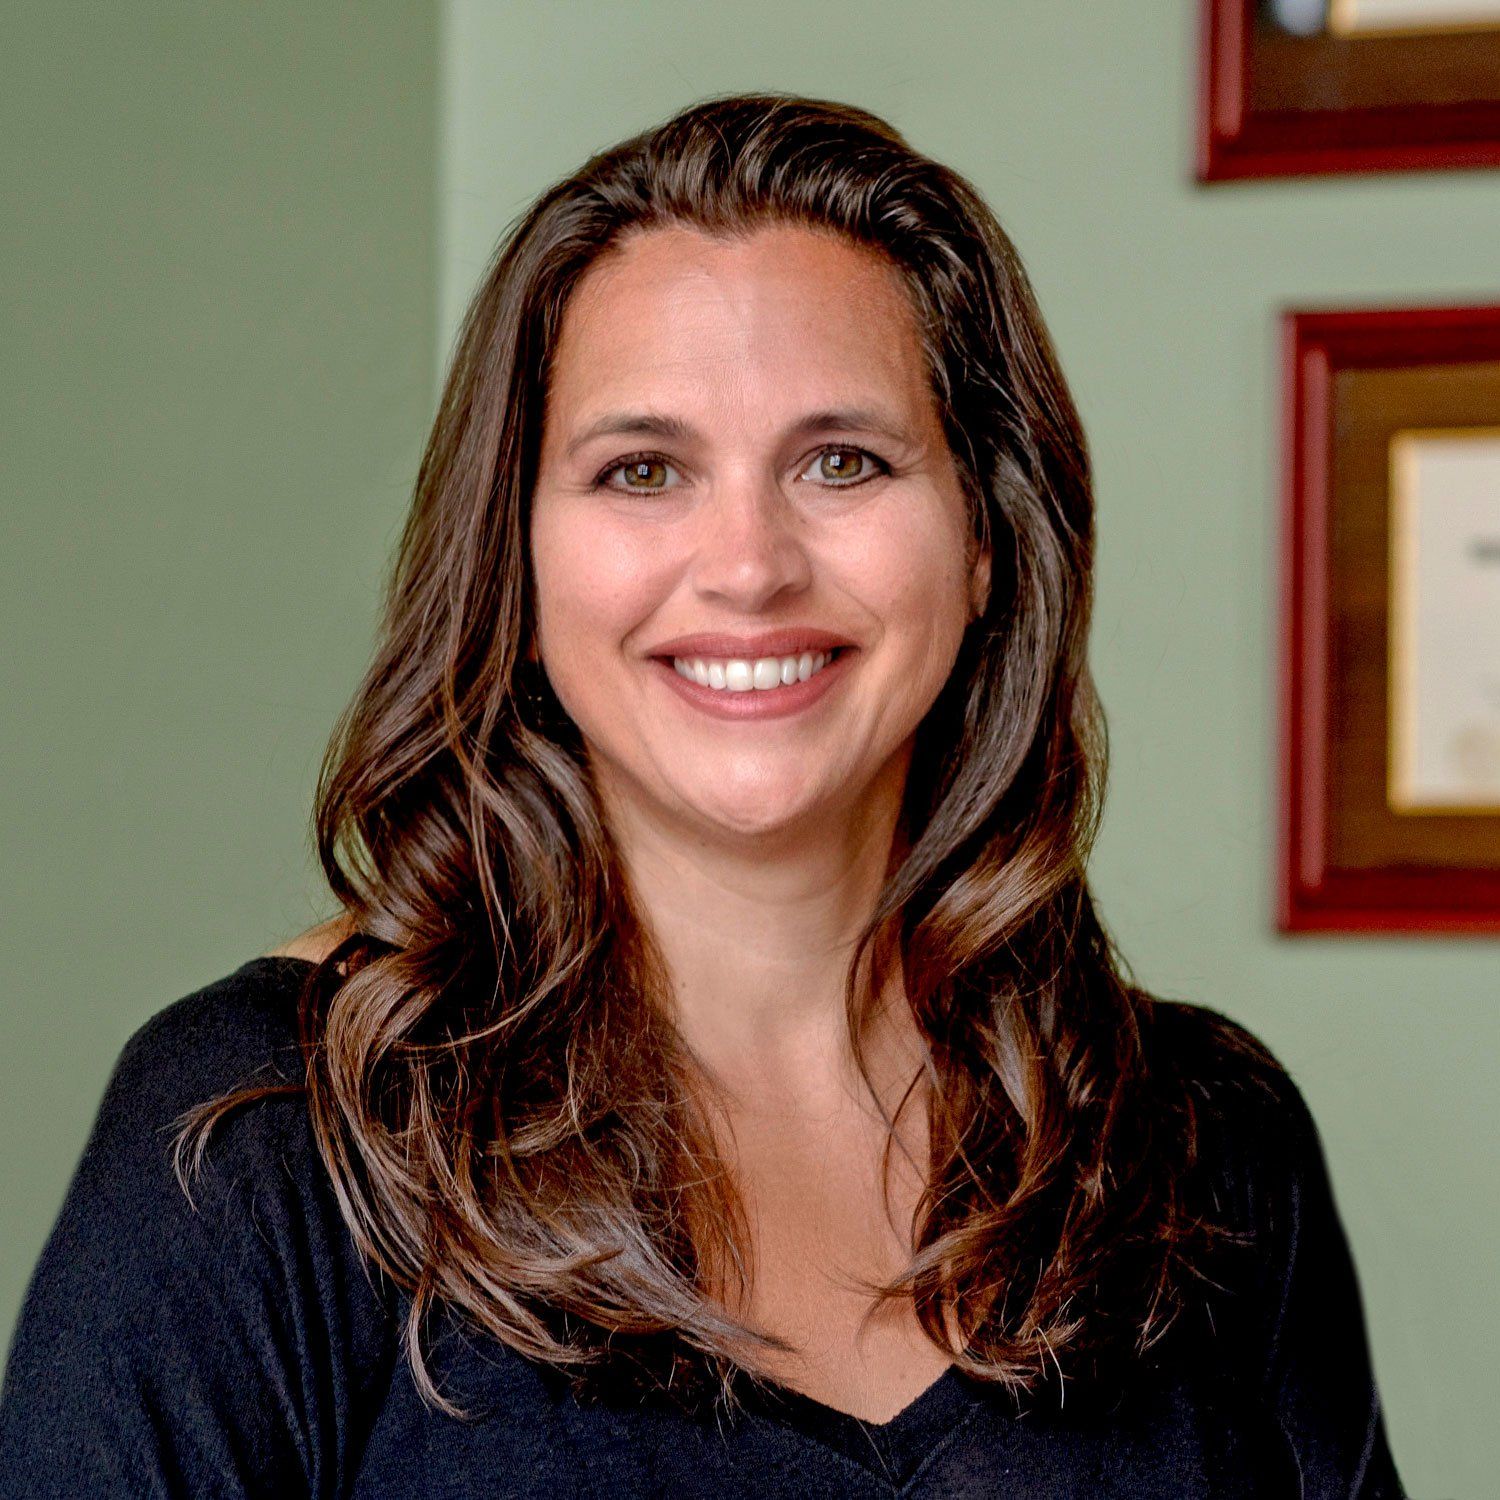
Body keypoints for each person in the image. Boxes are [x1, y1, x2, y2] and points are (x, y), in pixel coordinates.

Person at [0, 91, 1406, 1497]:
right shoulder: (267, 1140)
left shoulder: (1204, 1145)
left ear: (985, 538)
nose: (748, 565)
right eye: (643, 470)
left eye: (842, 461)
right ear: (520, 563)